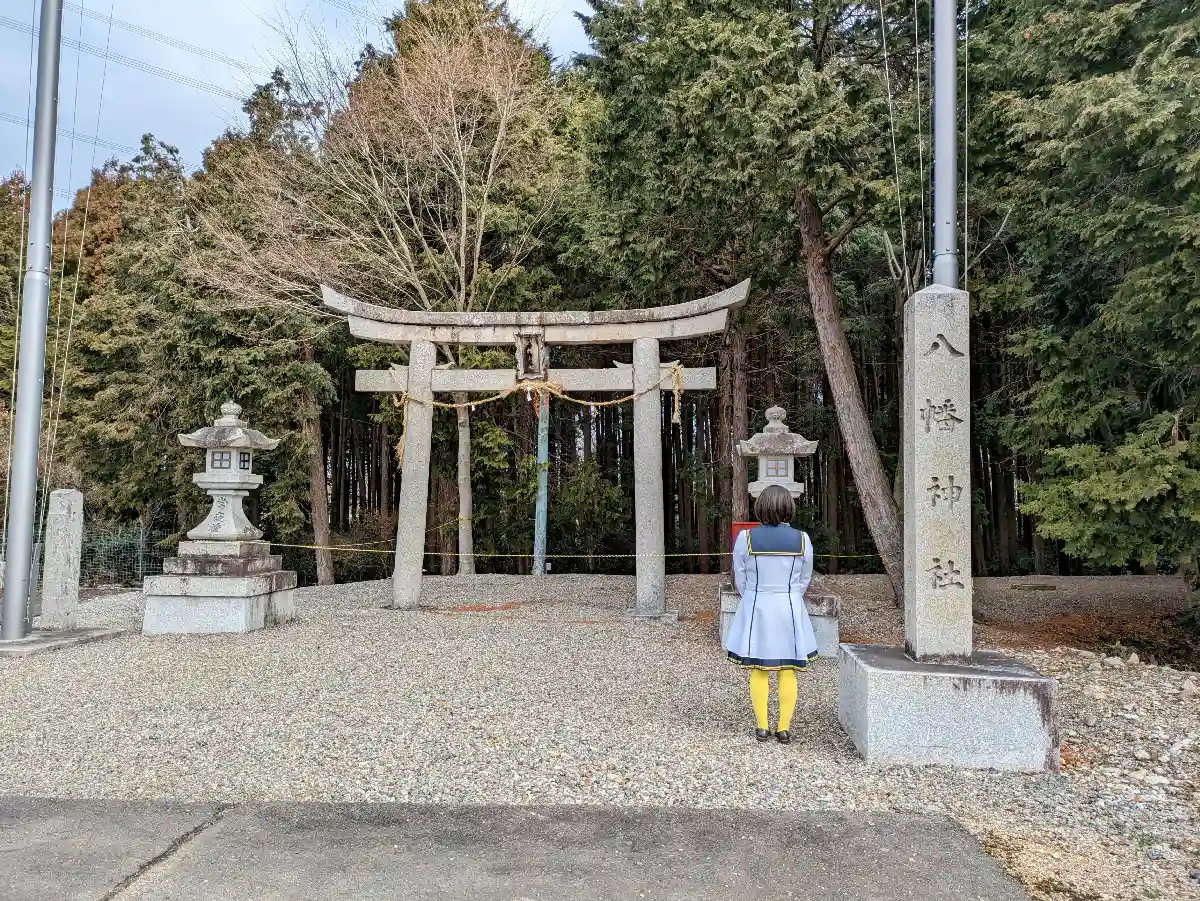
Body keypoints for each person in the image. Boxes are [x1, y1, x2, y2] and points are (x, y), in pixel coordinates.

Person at [723, 483, 818, 744]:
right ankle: (784, 728)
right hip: (789, 605)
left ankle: (762, 727)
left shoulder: (746, 538)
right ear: (789, 507)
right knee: (788, 668)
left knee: (759, 667)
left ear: (761, 507)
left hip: (757, 605)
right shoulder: (802, 539)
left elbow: (740, 576)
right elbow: (805, 577)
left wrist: (752, 595)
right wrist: (792, 595)